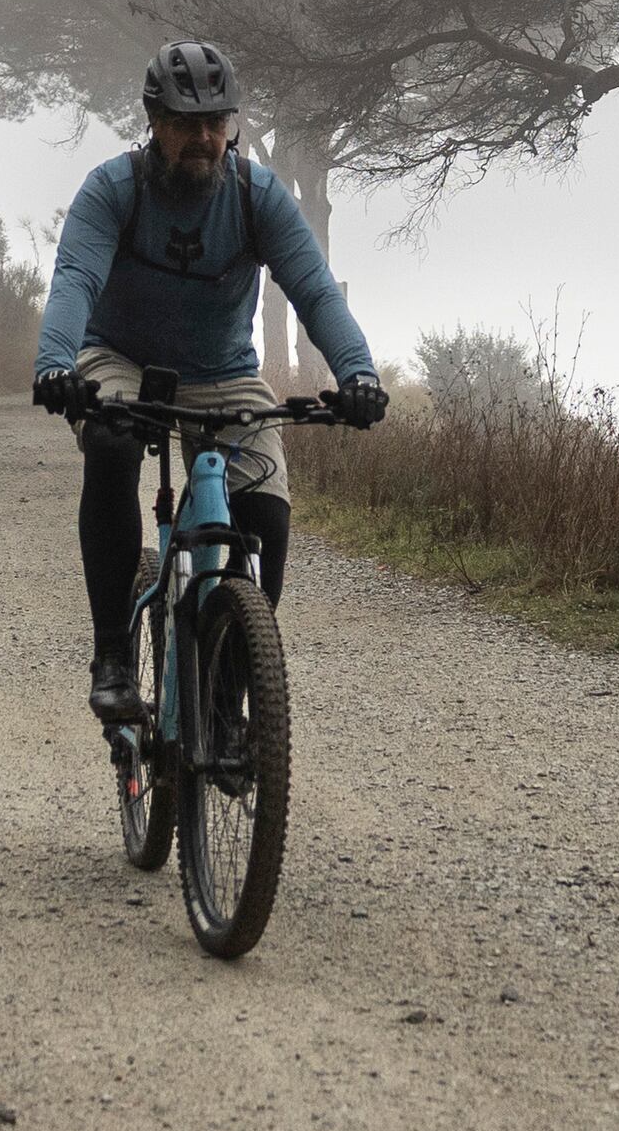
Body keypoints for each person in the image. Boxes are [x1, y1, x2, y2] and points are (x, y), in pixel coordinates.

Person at [26, 39, 387, 720]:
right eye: (186, 123)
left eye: (215, 122)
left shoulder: (256, 196)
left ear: (233, 126)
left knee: (267, 509)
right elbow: (75, 279)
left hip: (223, 371)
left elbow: (315, 291)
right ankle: (112, 655)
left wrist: (358, 373)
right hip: (120, 356)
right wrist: (54, 363)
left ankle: (229, 688)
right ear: (154, 122)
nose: (202, 137)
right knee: (108, 445)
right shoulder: (113, 189)